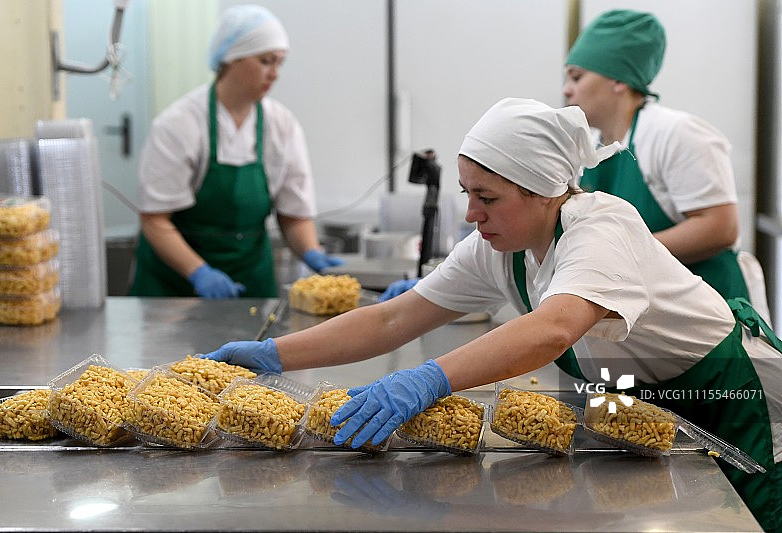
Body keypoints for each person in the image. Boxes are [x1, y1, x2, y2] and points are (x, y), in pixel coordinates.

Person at [204, 98, 781, 530]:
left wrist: (431, 378)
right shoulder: (500, 250)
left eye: (488, 197)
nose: (472, 214)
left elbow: (553, 329)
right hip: (648, 408)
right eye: (467, 195)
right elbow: (392, 320)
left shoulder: (602, 227)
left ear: (542, 190)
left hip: (736, 399)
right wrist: (274, 355)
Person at [130, 5, 342, 299]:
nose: (275, 74)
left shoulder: (281, 126)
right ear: (230, 59)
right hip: (174, 290)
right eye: (266, 61)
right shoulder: (179, 125)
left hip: (251, 282)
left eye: (280, 63)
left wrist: (312, 252)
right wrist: (199, 272)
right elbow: (155, 220)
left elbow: (293, 216)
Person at [564, 9, 763, 310]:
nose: (567, 90)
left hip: (711, 312)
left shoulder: (676, 134)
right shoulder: (591, 147)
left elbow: (719, 227)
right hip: (650, 312)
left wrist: (618, 254)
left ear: (618, 79)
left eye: (577, 77)